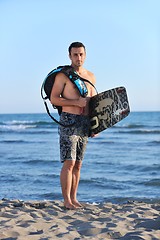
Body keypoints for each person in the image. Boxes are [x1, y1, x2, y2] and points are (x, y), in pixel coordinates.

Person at [50, 42, 97, 209]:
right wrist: (76, 102)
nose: (79, 58)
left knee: (78, 164)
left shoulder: (91, 76)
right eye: (75, 54)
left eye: (81, 54)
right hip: (69, 120)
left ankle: (74, 198)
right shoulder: (63, 76)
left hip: (84, 123)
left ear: (85, 54)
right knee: (69, 162)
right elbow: (54, 99)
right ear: (70, 56)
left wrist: (96, 126)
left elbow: (94, 103)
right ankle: (66, 201)